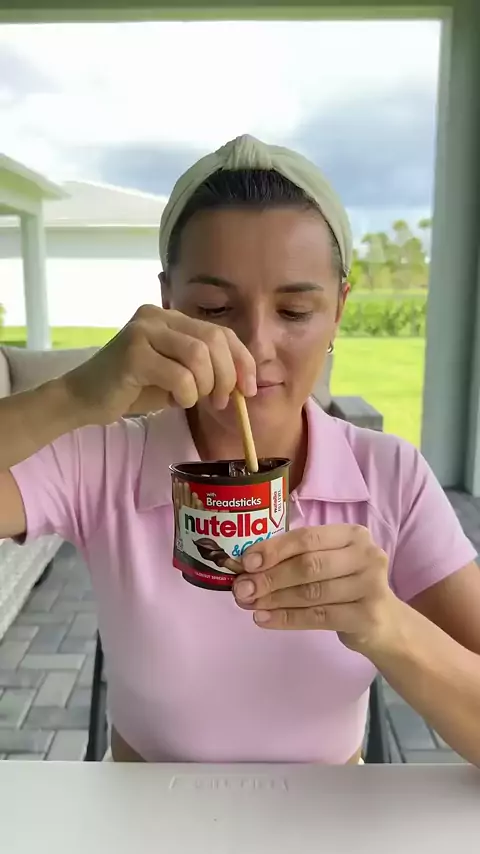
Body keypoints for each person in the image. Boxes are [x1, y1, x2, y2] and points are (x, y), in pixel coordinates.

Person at [1, 135, 480, 766]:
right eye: (215, 308)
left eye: (295, 310)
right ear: (168, 302)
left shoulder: (389, 477)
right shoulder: (106, 461)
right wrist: (73, 396)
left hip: (328, 815)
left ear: (338, 310)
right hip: (143, 813)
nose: (255, 347)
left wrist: (388, 625)